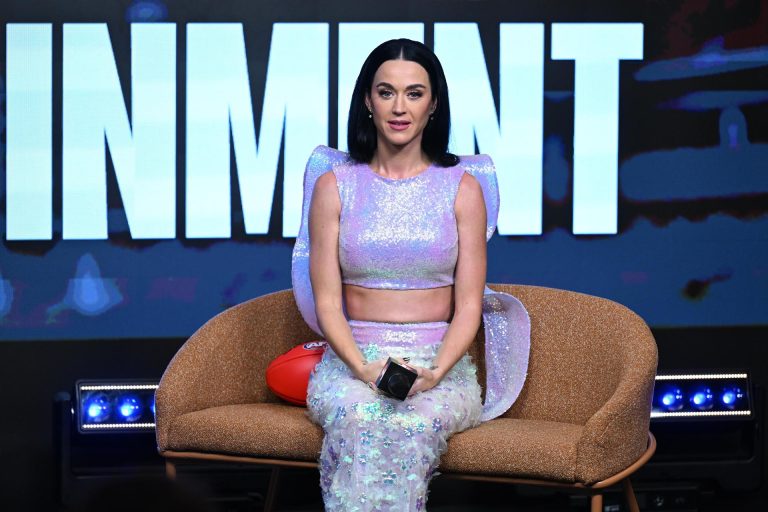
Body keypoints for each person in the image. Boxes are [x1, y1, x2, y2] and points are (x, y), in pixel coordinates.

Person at [290, 38, 531, 511]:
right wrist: (363, 367)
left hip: (440, 367)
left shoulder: (463, 189)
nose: (400, 108)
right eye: (386, 92)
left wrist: (435, 371)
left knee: (411, 423)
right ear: (367, 100)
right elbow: (326, 303)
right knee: (361, 418)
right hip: (350, 364)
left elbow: (468, 306)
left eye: (415, 93)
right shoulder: (333, 186)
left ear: (434, 104)